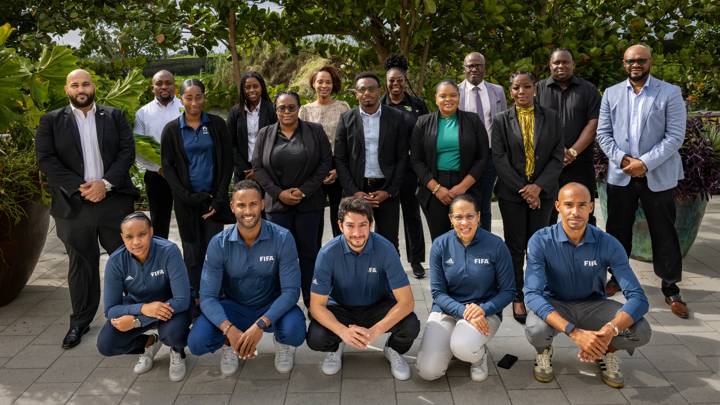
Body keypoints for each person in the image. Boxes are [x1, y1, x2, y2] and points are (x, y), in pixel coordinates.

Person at [36, 69, 137, 349]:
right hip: (74, 205)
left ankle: (134, 318)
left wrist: (105, 184)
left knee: (125, 260)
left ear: (94, 86)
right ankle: (80, 322)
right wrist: (82, 187)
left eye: (86, 83)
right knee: (81, 265)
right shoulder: (51, 121)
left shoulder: (113, 116)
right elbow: (46, 159)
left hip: (113, 202)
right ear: (67, 89)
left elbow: (126, 152)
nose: (81, 89)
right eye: (75, 84)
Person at [524, 182, 652, 388]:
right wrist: (576, 334)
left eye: (582, 205)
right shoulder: (540, 241)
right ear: (557, 206)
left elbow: (638, 298)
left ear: (591, 207)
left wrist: (609, 331)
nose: (575, 212)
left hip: (593, 305)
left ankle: (603, 350)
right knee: (536, 329)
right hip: (556, 303)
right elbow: (532, 294)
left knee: (642, 330)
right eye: (569, 205)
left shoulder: (608, 242)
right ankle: (543, 351)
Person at [596, 44, 689, 318]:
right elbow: (603, 133)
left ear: (650, 62)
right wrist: (624, 160)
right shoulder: (611, 93)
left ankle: (670, 287)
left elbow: (675, 136)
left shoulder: (669, 92)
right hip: (621, 174)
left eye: (641, 60)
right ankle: (617, 278)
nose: (635, 64)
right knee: (617, 231)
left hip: (657, 174)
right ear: (623, 63)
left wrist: (644, 163)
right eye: (630, 60)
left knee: (664, 232)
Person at [187, 180, 306, 376]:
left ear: (262, 204)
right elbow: (207, 297)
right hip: (233, 307)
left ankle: (282, 342)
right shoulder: (219, 243)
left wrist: (260, 325)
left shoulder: (283, 238)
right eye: (241, 205)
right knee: (197, 342)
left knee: (295, 331)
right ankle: (230, 343)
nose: (248, 211)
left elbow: (292, 292)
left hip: (271, 305)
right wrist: (229, 330)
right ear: (233, 207)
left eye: (253, 204)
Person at [307, 197, 420, 380]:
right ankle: (336, 347)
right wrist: (342, 331)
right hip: (341, 308)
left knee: (411, 324)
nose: (357, 233)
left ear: (371, 225)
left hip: (377, 306)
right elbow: (316, 306)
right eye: (350, 225)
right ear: (340, 225)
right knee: (316, 337)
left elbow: (407, 302)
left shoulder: (386, 249)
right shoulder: (327, 253)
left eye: (363, 225)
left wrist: (374, 331)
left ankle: (393, 349)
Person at [415, 194, 514, 382]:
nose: (464, 222)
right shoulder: (440, 244)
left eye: (470, 216)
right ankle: (456, 343)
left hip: (483, 312)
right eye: (458, 217)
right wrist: (463, 311)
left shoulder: (496, 245)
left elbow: (508, 291)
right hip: (448, 310)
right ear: (451, 219)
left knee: (463, 346)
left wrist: (483, 309)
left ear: (478, 216)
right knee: (428, 371)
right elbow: (437, 293)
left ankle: (477, 356)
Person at [491, 71, 563, 324]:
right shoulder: (500, 120)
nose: (521, 92)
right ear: (510, 91)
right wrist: (524, 188)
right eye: (516, 88)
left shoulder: (552, 118)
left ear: (535, 89)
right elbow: (499, 158)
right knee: (515, 246)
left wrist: (538, 188)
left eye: (526, 87)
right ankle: (517, 294)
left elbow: (557, 156)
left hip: (543, 193)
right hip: (512, 194)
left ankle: (537, 292)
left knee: (538, 246)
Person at [253, 91, 332, 307]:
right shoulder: (265, 134)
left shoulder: (315, 131)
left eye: (291, 107)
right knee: (279, 257)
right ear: (276, 110)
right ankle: (281, 304)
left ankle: (312, 302)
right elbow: (258, 168)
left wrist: (304, 190)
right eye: (281, 108)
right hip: (277, 207)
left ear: (299, 108)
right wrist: (279, 193)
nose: (286, 112)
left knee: (309, 254)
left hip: (309, 204)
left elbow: (325, 163)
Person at [160, 79, 233, 300]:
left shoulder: (217, 124)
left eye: (198, 96)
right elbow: (169, 168)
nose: (194, 102)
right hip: (186, 203)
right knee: (192, 253)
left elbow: (227, 163)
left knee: (214, 252)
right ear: (180, 98)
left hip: (213, 201)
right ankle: (194, 297)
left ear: (204, 97)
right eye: (189, 97)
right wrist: (188, 197)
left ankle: (216, 295)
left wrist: (218, 199)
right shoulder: (172, 130)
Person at [96, 212, 191, 382]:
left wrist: (137, 321)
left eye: (142, 234)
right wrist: (142, 309)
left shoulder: (169, 251)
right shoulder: (116, 261)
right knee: (106, 344)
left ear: (151, 232)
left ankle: (177, 351)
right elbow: (110, 309)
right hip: (138, 307)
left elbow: (182, 300)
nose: (136, 242)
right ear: (122, 237)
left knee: (173, 334)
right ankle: (148, 343)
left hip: (171, 308)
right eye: (129, 237)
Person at [334, 72, 411, 250]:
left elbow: (402, 158)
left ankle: (388, 278)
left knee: (389, 243)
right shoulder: (346, 119)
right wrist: (354, 192)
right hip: (357, 189)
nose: (366, 93)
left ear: (379, 91)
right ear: (356, 93)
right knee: (354, 240)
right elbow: (340, 158)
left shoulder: (396, 118)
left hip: (386, 189)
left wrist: (389, 191)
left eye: (371, 89)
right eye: (362, 89)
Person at [410, 80, 489, 240]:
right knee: (440, 239)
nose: (448, 99)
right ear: (436, 98)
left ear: (459, 97)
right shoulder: (423, 123)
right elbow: (416, 160)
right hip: (434, 186)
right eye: (443, 96)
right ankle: (441, 266)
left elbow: (483, 157)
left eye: (453, 95)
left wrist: (462, 187)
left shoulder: (473, 121)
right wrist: (436, 188)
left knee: (468, 236)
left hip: (466, 185)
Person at [536, 48, 601, 226]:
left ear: (573, 64)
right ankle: (548, 253)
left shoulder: (588, 90)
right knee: (546, 215)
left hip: (580, 162)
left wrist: (573, 151)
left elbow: (593, 123)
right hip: (547, 163)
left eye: (565, 62)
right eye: (556, 62)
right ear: (550, 65)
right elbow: (533, 123)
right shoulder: (538, 89)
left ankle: (585, 253)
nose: (561, 65)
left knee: (583, 212)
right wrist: (557, 151)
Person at [380, 54, 428, 278]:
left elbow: (427, 138)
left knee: (412, 216)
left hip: (411, 170)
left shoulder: (417, 105)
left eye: (399, 80)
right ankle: (391, 260)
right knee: (387, 220)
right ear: (386, 81)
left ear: (405, 79)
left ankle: (416, 260)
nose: (396, 84)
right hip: (386, 171)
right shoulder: (378, 105)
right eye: (392, 80)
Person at [298, 65, 350, 243]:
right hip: (314, 169)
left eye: (328, 82)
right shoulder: (304, 110)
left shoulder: (343, 108)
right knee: (314, 220)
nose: (324, 85)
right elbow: (301, 144)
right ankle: (316, 262)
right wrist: (317, 174)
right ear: (313, 83)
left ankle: (342, 256)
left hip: (338, 168)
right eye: (320, 81)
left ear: (333, 84)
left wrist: (338, 169)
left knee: (340, 217)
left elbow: (348, 142)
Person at [458, 52, 508, 232]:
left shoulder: (498, 91)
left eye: (478, 65)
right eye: (470, 65)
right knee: (465, 201)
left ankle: (485, 242)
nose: (474, 69)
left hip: (490, 154)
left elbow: (503, 123)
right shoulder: (456, 92)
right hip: (464, 156)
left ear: (484, 68)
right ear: (464, 68)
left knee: (484, 202)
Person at [134, 70, 183, 238]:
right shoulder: (143, 113)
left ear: (174, 86)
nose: (164, 87)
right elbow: (140, 148)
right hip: (157, 175)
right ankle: (160, 259)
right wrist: (159, 167)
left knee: (188, 219)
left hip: (185, 174)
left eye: (168, 83)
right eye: (159, 83)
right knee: (158, 222)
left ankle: (191, 261)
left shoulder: (185, 107)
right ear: (152, 87)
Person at [226, 71, 277, 182]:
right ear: (243, 90)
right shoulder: (235, 112)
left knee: (266, 200)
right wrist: (244, 168)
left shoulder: (272, 110)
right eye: (247, 87)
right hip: (243, 172)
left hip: (267, 170)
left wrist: (260, 169)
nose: (252, 90)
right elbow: (229, 143)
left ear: (261, 87)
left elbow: (277, 141)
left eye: (255, 86)